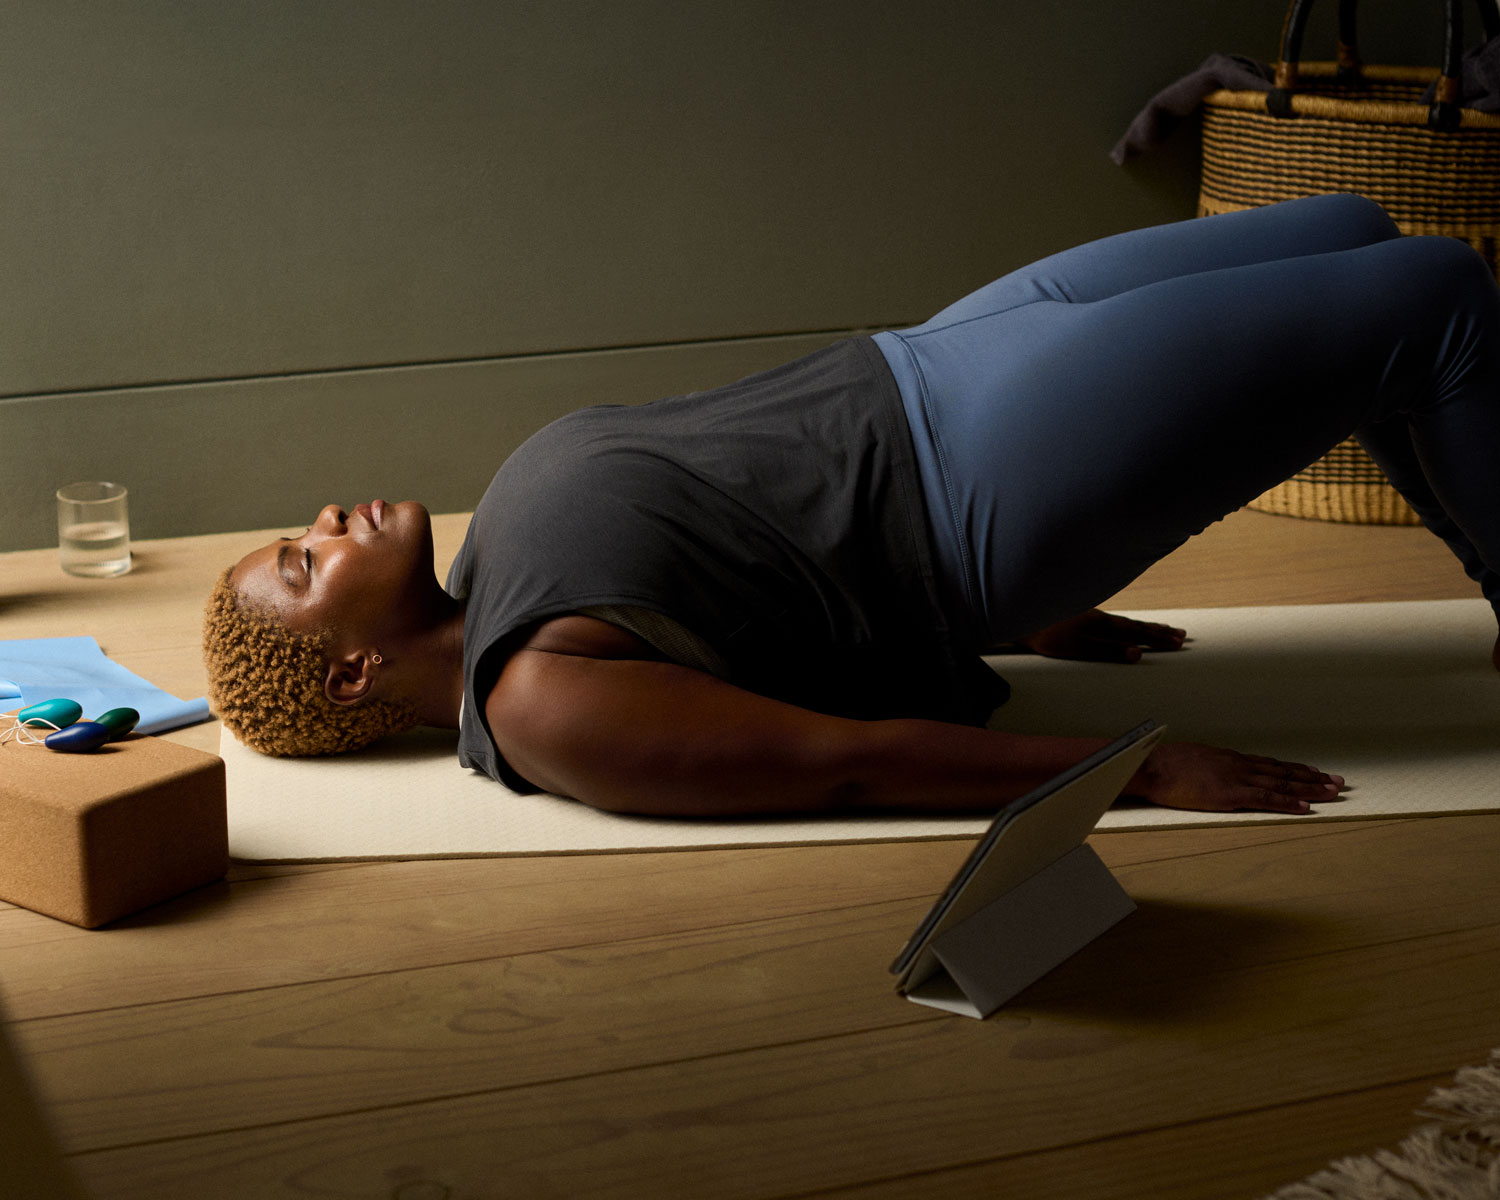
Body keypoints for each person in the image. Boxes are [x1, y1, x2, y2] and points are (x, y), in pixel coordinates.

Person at [204, 193, 1500, 820]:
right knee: (1435, 294)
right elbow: (849, 755)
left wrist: (1035, 628)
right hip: (976, 485)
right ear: (354, 674)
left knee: (1359, 226)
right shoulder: (546, 705)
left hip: (930, 362)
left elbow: (746, 562)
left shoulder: (493, 577)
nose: (324, 519)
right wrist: (1137, 769)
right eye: (303, 563)